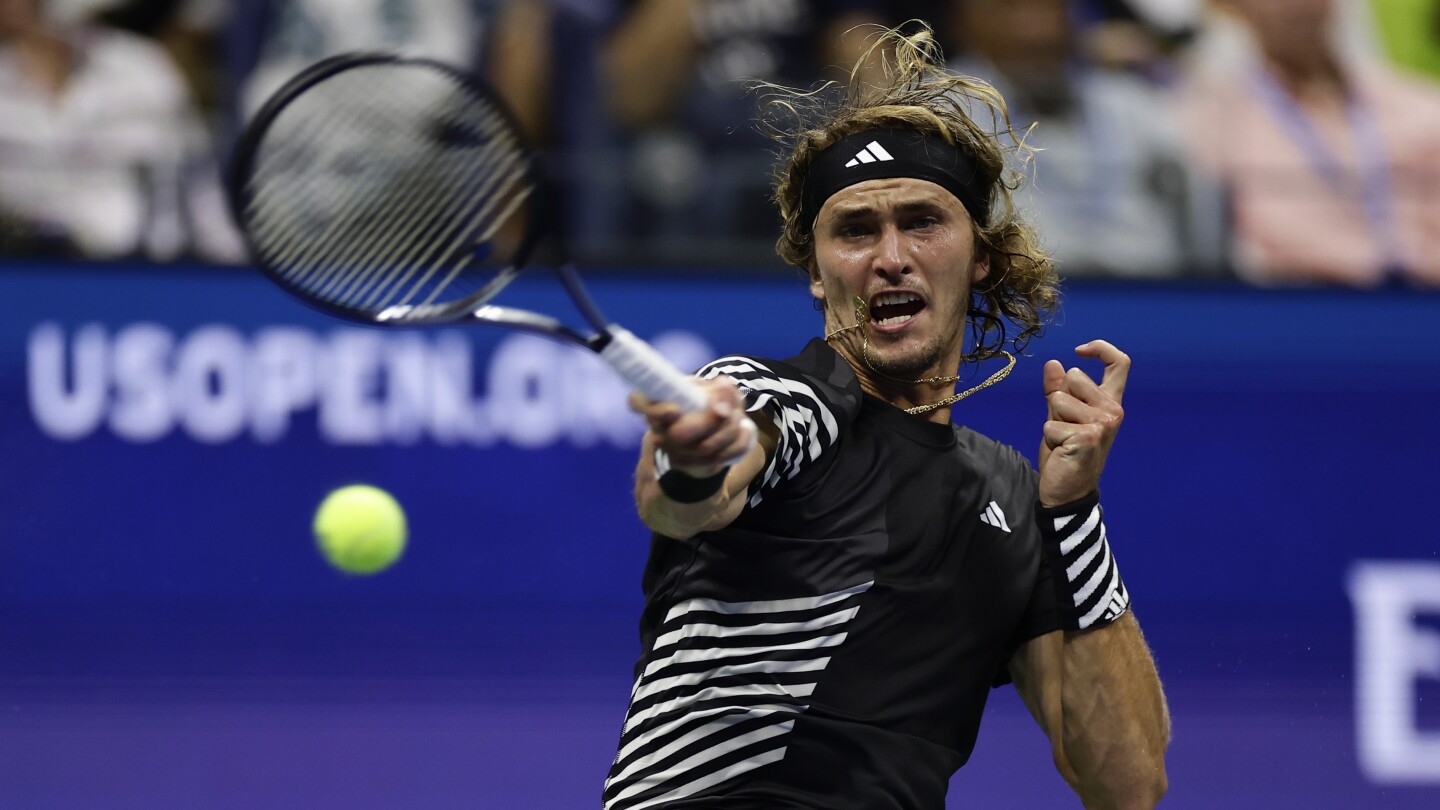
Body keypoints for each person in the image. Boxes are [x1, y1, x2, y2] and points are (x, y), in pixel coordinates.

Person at [606, 24, 1169, 810]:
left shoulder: (1011, 496)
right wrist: (695, 457)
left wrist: (1072, 513)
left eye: (922, 221)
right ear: (815, 271)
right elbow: (688, 492)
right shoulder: (779, 401)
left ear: (980, 255)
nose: (890, 256)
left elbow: (1128, 783)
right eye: (855, 230)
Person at [946, 0, 1225, 279]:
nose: (1041, 32)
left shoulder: (1130, 102)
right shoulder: (947, 111)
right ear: (968, 21)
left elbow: (1200, 202)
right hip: (1021, 298)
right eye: (1015, 9)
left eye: (1052, 9)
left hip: (1152, 293)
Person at [1177, 0, 1440, 287]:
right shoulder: (1209, 118)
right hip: (1293, 307)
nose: (1299, 4)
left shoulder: (1423, 107)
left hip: (1420, 301)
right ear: (1233, 8)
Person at [0, 0, 242, 261]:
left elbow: (202, 186)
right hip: (21, 274)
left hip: (148, 274)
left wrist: (234, 267)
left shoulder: (144, 68)